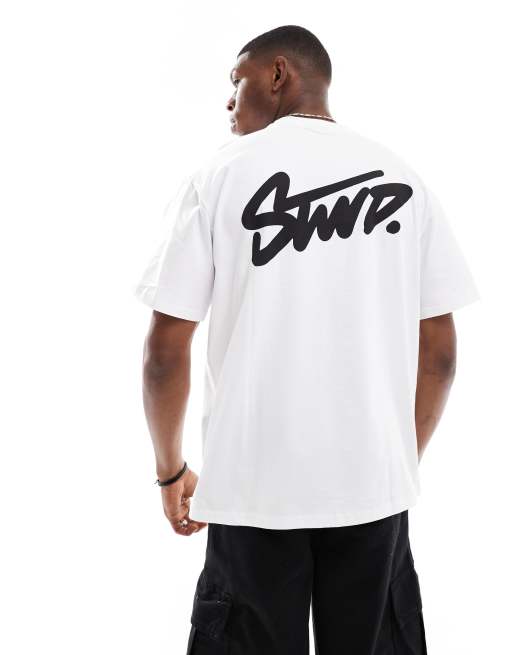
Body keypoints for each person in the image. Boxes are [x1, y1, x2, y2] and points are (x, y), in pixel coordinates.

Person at [134, 24, 480, 655]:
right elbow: (442, 353)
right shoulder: (404, 180)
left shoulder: (220, 176)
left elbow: (164, 351)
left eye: (237, 80)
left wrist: (170, 472)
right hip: (373, 490)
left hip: (251, 489)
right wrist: (394, 461)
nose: (229, 100)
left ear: (278, 74)